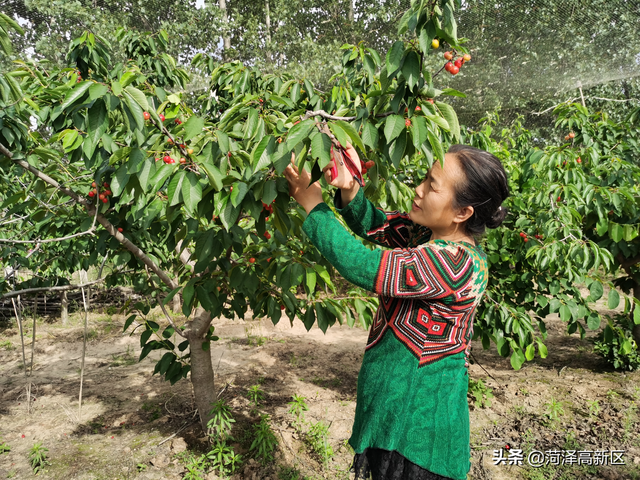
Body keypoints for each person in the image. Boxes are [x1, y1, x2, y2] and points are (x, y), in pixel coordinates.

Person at [284, 143, 510, 480]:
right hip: (397, 417)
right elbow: (377, 224)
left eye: (432, 185)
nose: (418, 190)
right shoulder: (428, 235)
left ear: (463, 212)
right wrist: (349, 187)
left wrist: (313, 205)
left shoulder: (455, 263)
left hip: (418, 436)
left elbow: (362, 264)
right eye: (425, 178)